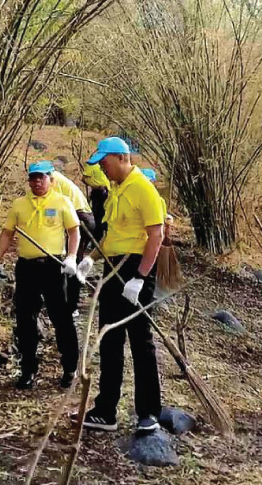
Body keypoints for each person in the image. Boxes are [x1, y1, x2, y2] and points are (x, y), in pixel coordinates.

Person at [81, 137, 166, 433]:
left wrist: (140, 278)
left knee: (141, 342)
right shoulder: (115, 190)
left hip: (135, 268)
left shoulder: (143, 188)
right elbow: (111, 234)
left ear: (121, 158)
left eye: (104, 162)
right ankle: (106, 410)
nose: (102, 168)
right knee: (110, 339)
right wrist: (91, 259)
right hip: (113, 266)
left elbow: (156, 235)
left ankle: (149, 413)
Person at [0, 161, 81, 389]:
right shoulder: (20, 204)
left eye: (41, 177)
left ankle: (70, 368)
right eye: (33, 178)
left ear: (51, 179)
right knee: (25, 319)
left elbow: (74, 231)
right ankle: (28, 369)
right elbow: (7, 233)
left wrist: (71, 256)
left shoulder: (62, 202)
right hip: (27, 268)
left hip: (53, 266)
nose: (37, 182)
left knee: (62, 317)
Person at [47, 167, 95, 316]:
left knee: (72, 261)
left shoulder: (53, 181)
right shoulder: (55, 178)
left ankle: (71, 305)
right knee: (66, 261)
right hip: (80, 216)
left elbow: (55, 208)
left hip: (81, 219)